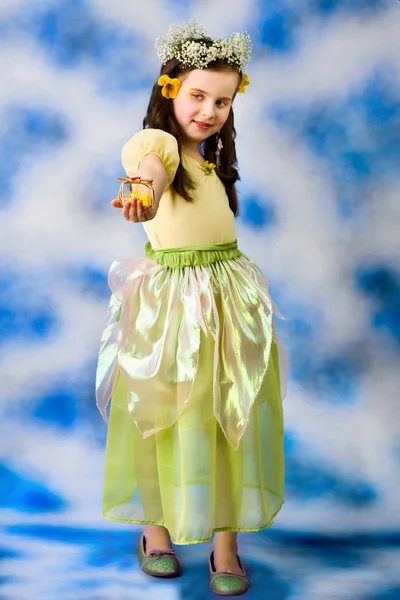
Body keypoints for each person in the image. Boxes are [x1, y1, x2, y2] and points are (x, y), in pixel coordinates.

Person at [96, 19, 288, 597]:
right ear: (170, 90)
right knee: (163, 411)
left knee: (231, 410)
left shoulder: (207, 160)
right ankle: (156, 532)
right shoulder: (156, 147)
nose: (209, 110)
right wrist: (142, 193)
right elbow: (147, 173)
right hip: (174, 303)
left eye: (223, 101)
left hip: (228, 297)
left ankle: (224, 547)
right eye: (197, 95)